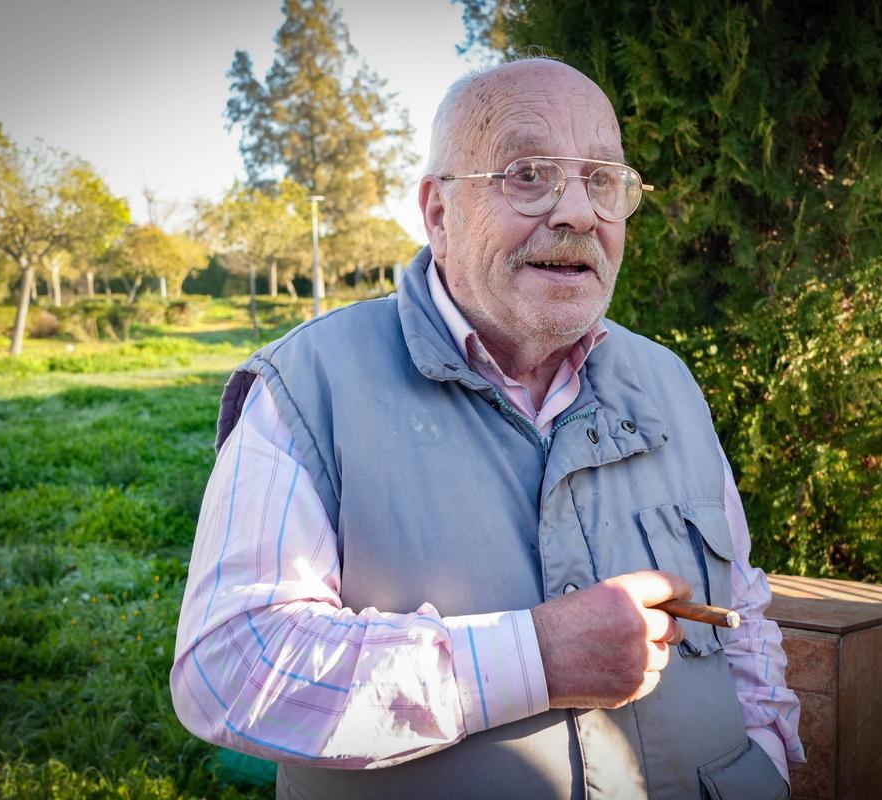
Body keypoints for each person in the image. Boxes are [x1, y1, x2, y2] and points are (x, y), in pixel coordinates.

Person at [172, 57, 804, 799]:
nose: (577, 212)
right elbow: (235, 670)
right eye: (529, 174)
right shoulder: (309, 386)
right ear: (440, 213)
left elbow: (745, 613)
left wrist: (769, 760)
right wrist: (535, 659)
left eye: (603, 179)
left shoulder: (667, 381)